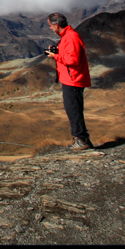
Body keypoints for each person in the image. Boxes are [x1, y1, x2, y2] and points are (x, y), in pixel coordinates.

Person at [45, 13, 93, 150]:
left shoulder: (71, 37)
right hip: (70, 79)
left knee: (73, 110)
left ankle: (81, 140)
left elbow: (73, 60)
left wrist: (55, 56)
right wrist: (57, 51)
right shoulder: (67, 36)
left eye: (50, 26)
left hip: (73, 79)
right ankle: (82, 139)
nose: (50, 28)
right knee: (73, 109)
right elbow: (69, 54)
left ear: (56, 25)